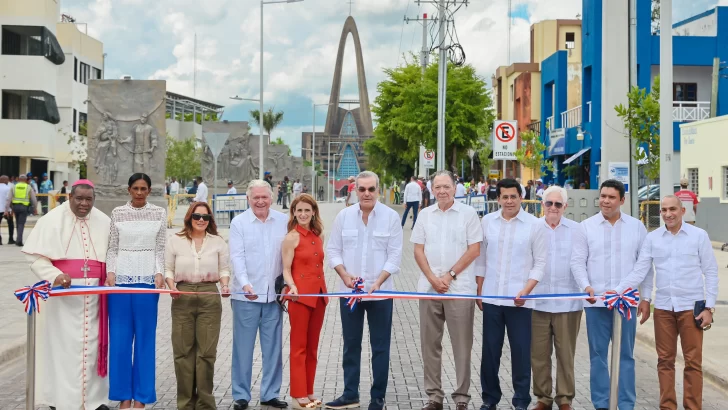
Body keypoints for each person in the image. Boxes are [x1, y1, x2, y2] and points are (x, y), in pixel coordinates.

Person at [611, 195, 718, 410]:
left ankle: (692, 407)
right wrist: (617, 291)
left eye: (672, 209)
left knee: (693, 363)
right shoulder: (653, 238)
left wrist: (709, 307)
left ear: (682, 211)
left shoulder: (699, 236)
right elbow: (642, 271)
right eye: (663, 210)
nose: (668, 214)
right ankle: (667, 407)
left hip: (691, 309)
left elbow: (711, 272)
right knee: (665, 361)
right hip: (663, 309)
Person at [22, 179, 111, 410]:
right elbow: (36, 257)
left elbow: (113, 255)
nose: (84, 204)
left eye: (88, 199)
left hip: (94, 298)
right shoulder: (50, 220)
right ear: (69, 197)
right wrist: (54, 275)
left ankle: (94, 400)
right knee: (62, 350)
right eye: (79, 198)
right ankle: (62, 401)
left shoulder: (104, 221)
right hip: (63, 298)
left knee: (92, 347)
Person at [325, 171, 403, 410]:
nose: (367, 193)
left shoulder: (390, 217)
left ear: (378, 190)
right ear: (355, 190)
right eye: (362, 189)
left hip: (380, 294)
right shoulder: (343, 217)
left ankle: (377, 396)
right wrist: (344, 274)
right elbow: (333, 250)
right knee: (351, 345)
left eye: (371, 189)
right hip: (350, 293)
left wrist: (379, 280)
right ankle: (350, 394)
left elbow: (395, 254)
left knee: (380, 347)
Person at [570, 179, 650, 410]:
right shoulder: (585, 227)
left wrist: (646, 298)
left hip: (626, 304)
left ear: (622, 200)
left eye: (611, 197)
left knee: (626, 355)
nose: (605, 201)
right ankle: (602, 404)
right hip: (596, 303)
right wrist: (586, 286)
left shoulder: (636, 227)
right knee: (598, 356)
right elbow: (577, 262)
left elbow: (643, 266)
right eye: (603, 196)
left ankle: (626, 404)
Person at [411, 170, 483, 410]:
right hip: (429, 289)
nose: (442, 191)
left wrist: (449, 275)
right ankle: (434, 396)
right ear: (431, 189)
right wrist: (433, 279)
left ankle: (461, 397)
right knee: (430, 344)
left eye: (446, 186)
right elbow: (418, 250)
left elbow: (474, 250)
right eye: (437, 187)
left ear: (455, 188)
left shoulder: (469, 214)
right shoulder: (424, 215)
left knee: (462, 345)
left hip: (459, 289)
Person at [475, 179, 546, 410]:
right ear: (498, 199)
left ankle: (521, 401)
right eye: (504, 197)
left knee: (521, 351)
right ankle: (489, 398)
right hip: (492, 297)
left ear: (521, 197)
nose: (509, 201)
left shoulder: (535, 225)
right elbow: (481, 258)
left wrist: (527, 290)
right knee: (490, 351)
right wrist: (479, 289)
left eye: (513, 196)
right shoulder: (487, 222)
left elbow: (540, 263)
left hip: (520, 300)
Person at [105, 173, 167, 409]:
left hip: (147, 282)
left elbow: (160, 248)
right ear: (128, 190)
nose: (140, 192)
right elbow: (112, 248)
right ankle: (123, 396)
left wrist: (159, 272)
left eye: (144, 188)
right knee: (119, 340)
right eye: (135, 188)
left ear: (149, 191)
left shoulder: (159, 213)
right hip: (120, 281)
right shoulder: (118, 213)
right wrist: (111, 272)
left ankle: (142, 396)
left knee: (144, 340)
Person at [229, 180, 289, 410]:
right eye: (256, 198)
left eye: (264, 197)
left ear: (272, 197)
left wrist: (286, 285)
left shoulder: (283, 221)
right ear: (248, 199)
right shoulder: (239, 223)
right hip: (246, 297)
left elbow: (287, 257)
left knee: (273, 347)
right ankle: (241, 394)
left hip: (273, 297)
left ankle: (270, 393)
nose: (261, 201)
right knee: (242, 348)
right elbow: (237, 257)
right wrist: (244, 284)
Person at [165, 202, 231, 410]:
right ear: (189, 218)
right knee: (183, 352)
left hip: (209, 295)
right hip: (182, 295)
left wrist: (225, 285)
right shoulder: (175, 240)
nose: (201, 220)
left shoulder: (218, 242)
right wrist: (171, 286)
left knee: (206, 352)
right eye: (197, 216)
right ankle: (185, 403)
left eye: (206, 217)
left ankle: (205, 403)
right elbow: (168, 268)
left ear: (210, 220)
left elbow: (224, 269)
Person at [529, 186, 582, 410]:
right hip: (537, 302)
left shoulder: (577, 230)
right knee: (539, 354)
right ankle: (543, 397)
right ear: (542, 205)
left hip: (568, 303)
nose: (553, 207)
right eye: (548, 203)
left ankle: (565, 398)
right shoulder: (532, 228)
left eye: (557, 204)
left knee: (565, 354)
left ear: (565, 207)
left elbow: (582, 262)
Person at [282, 194, 328, 409]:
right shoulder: (291, 237)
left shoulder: (318, 236)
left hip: (319, 296)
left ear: (313, 212)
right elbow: (286, 269)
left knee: (312, 347)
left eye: (306, 210)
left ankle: (309, 390)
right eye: (299, 210)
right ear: (293, 213)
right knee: (298, 347)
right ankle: (298, 393)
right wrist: (291, 286)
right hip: (299, 297)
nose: (302, 214)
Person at [7, 174, 37, 246]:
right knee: (21, 224)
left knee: (18, 223)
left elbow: (9, 198)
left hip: (15, 207)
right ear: (26, 180)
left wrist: (8, 208)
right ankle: (19, 240)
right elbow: (34, 199)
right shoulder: (28, 187)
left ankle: (18, 239)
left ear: (19, 179)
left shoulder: (14, 187)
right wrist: (35, 208)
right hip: (24, 207)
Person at [0, 175, 13, 245]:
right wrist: (11, 209)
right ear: (5, 181)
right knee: (10, 224)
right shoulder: (8, 188)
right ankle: (10, 239)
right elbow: (9, 200)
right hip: (7, 210)